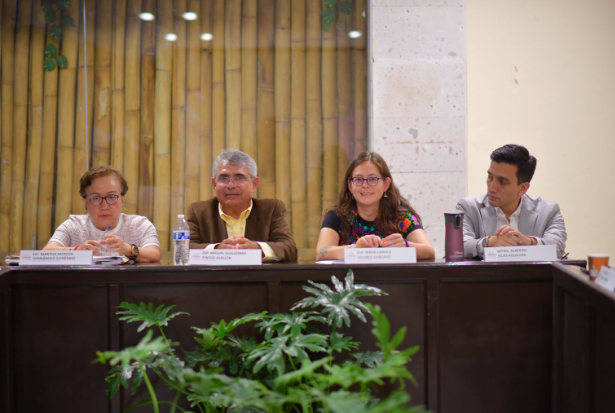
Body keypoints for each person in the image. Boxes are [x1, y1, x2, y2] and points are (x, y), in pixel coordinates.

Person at [315, 151, 435, 261]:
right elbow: (321, 253)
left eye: (372, 179)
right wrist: (355, 249)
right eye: (358, 179)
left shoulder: (403, 218)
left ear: (386, 184)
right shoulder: (337, 216)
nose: (365, 185)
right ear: (350, 186)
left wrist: (406, 245)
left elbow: (429, 251)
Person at [456, 144, 567, 258]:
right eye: (490, 177)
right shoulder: (468, 207)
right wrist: (487, 243)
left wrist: (529, 242)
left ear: (523, 188)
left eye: (503, 182)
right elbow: (457, 247)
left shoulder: (549, 211)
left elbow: (558, 248)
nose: (492, 188)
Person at [186, 149, 297, 262]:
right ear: (214, 184)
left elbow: (289, 248)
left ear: (254, 184)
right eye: (223, 178)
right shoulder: (198, 211)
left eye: (239, 178)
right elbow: (185, 248)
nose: (231, 185)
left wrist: (257, 248)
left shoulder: (271, 209)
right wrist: (217, 250)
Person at [43, 166, 162, 262]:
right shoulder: (73, 225)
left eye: (111, 197)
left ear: (122, 199)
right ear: (85, 202)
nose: (104, 206)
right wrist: (77, 251)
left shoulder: (139, 225)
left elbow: (155, 254)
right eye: (96, 198)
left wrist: (128, 249)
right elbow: (46, 253)